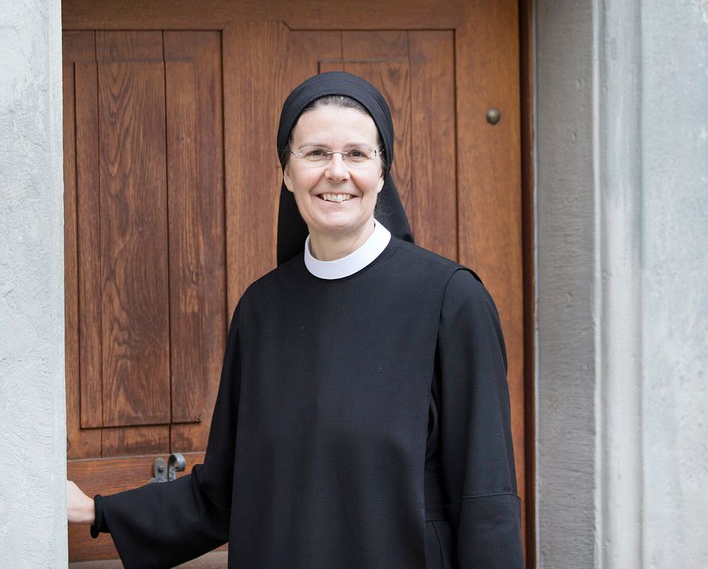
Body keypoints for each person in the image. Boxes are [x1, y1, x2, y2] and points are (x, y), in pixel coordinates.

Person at [67, 72, 523, 568]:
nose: (336, 171)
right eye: (315, 153)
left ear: (382, 171)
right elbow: (224, 493)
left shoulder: (451, 301)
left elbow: (486, 500)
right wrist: (97, 511)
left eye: (356, 153)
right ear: (286, 172)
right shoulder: (260, 311)